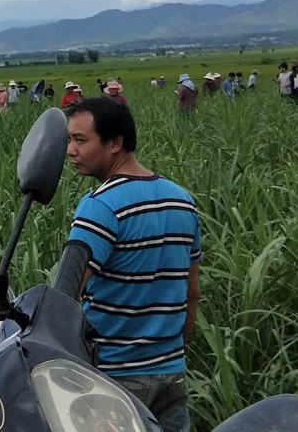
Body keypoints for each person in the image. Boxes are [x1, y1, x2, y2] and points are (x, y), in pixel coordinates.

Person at [63, 98, 201, 432]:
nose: (70, 150)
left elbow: (66, 292)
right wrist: (170, 351)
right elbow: (192, 291)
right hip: (172, 372)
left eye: (80, 140)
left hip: (115, 375)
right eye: (69, 139)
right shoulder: (182, 200)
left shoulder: (100, 206)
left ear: (115, 143)